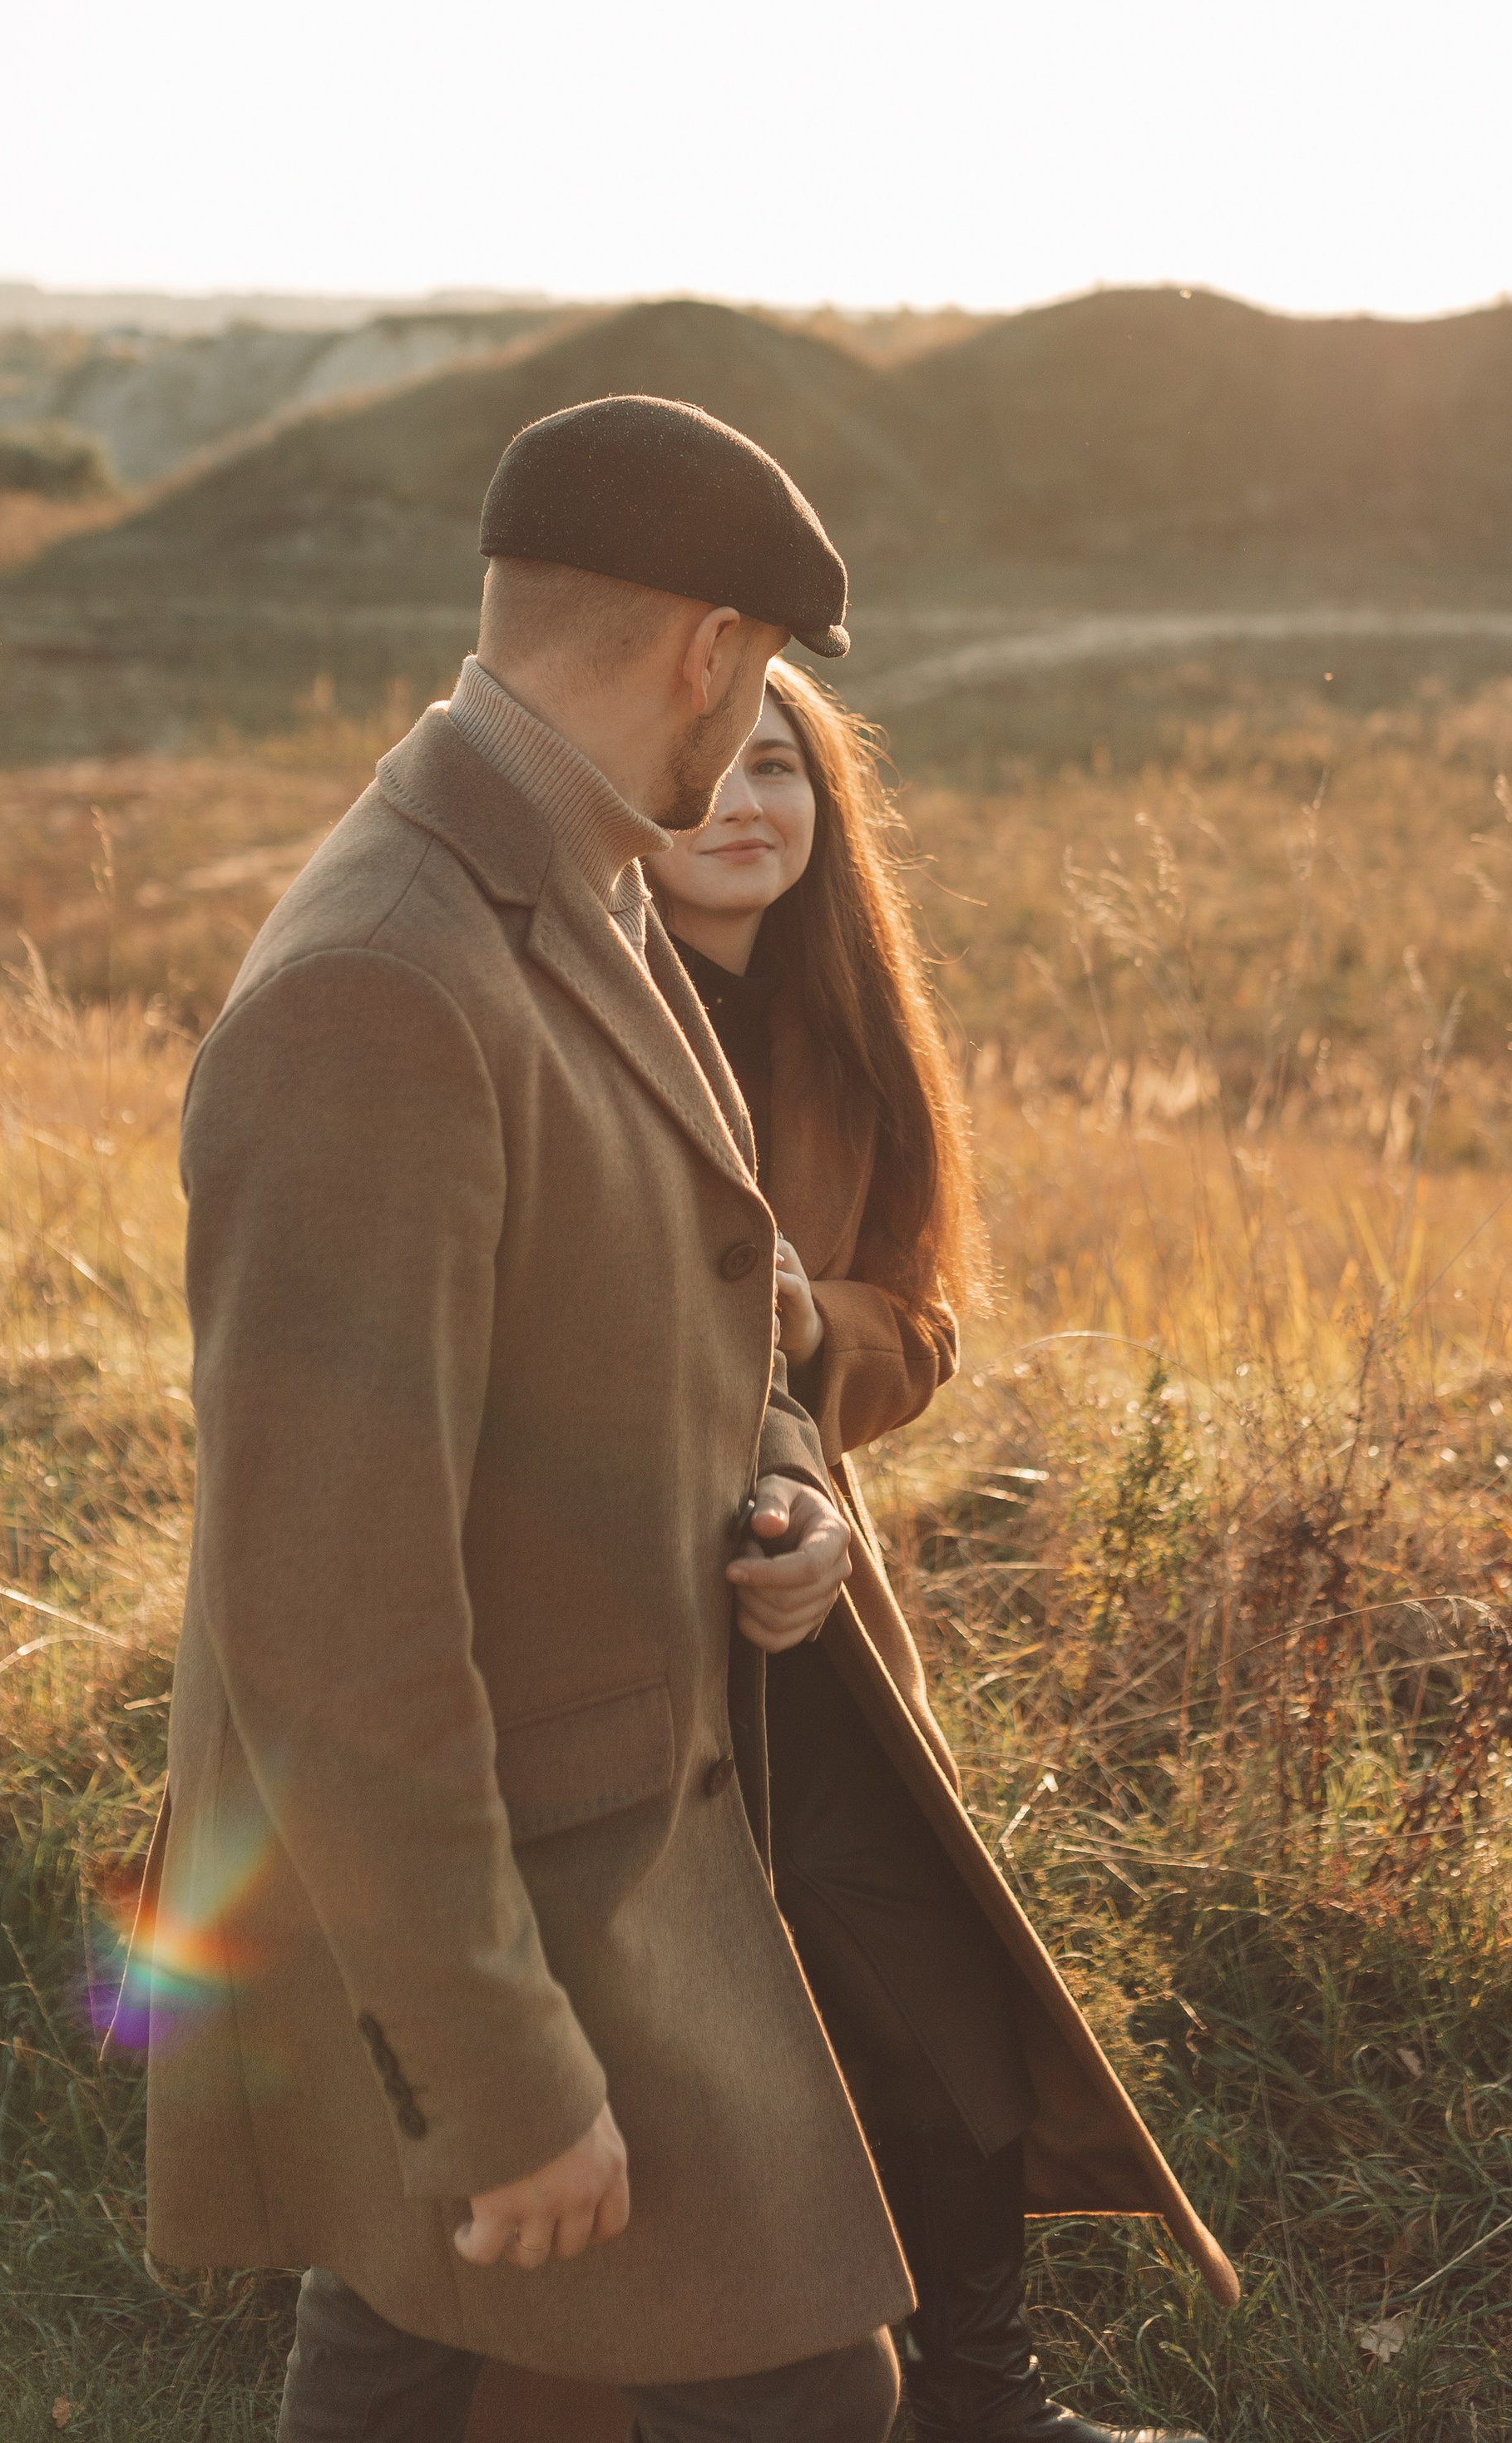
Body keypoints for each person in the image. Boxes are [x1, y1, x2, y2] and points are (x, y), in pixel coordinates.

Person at [132, 398, 909, 2443]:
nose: (744, 728)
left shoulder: (583, 883)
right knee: (803, 2393)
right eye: (749, 675)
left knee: (431, 2356)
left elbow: (694, 1313)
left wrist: (786, 1486)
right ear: (704, 644)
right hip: (514, 1912)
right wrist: (495, 2075)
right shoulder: (381, 986)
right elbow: (320, 1619)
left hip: (613, 1864)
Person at [463, 667, 1232, 2443]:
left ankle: (979, 2396)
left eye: (783, 767)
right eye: (708, 765)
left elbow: (922, 1314)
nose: (745, 802)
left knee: (926, 1980)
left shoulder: (846, 1029)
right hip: (591, 1613)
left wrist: (812, 1366)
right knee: (671, 2016)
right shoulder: (558, 1006)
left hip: (801, 1605)